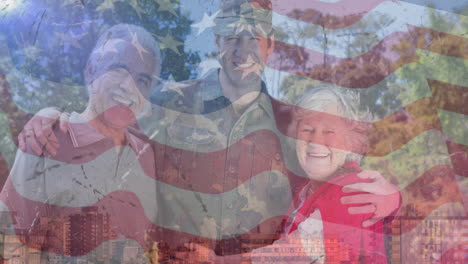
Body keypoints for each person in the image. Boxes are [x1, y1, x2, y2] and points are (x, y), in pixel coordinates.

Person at [16, 0, 400, 261]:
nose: (241, 49)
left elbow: (342, 172)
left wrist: (393, 201)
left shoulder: (293, 123)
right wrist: (52, 118)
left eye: (253, 38)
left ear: (269, 47)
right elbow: (111, 121)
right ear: (216, 41)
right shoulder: (169, 104)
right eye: (231, 37)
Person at [175, 85, 393, 263]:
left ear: (351, 142)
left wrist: (218, 262)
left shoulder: (351, 190)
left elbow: (292, 255)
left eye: (329, 132)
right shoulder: (308, 190)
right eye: (307, 130)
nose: (315, 141)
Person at [0, 23, 161, 263]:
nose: (129, 87)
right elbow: (12, 243)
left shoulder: (145, 155)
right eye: (118, 69)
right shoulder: (47, 138)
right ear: (91, 70)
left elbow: (146, 245)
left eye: (143, 80)